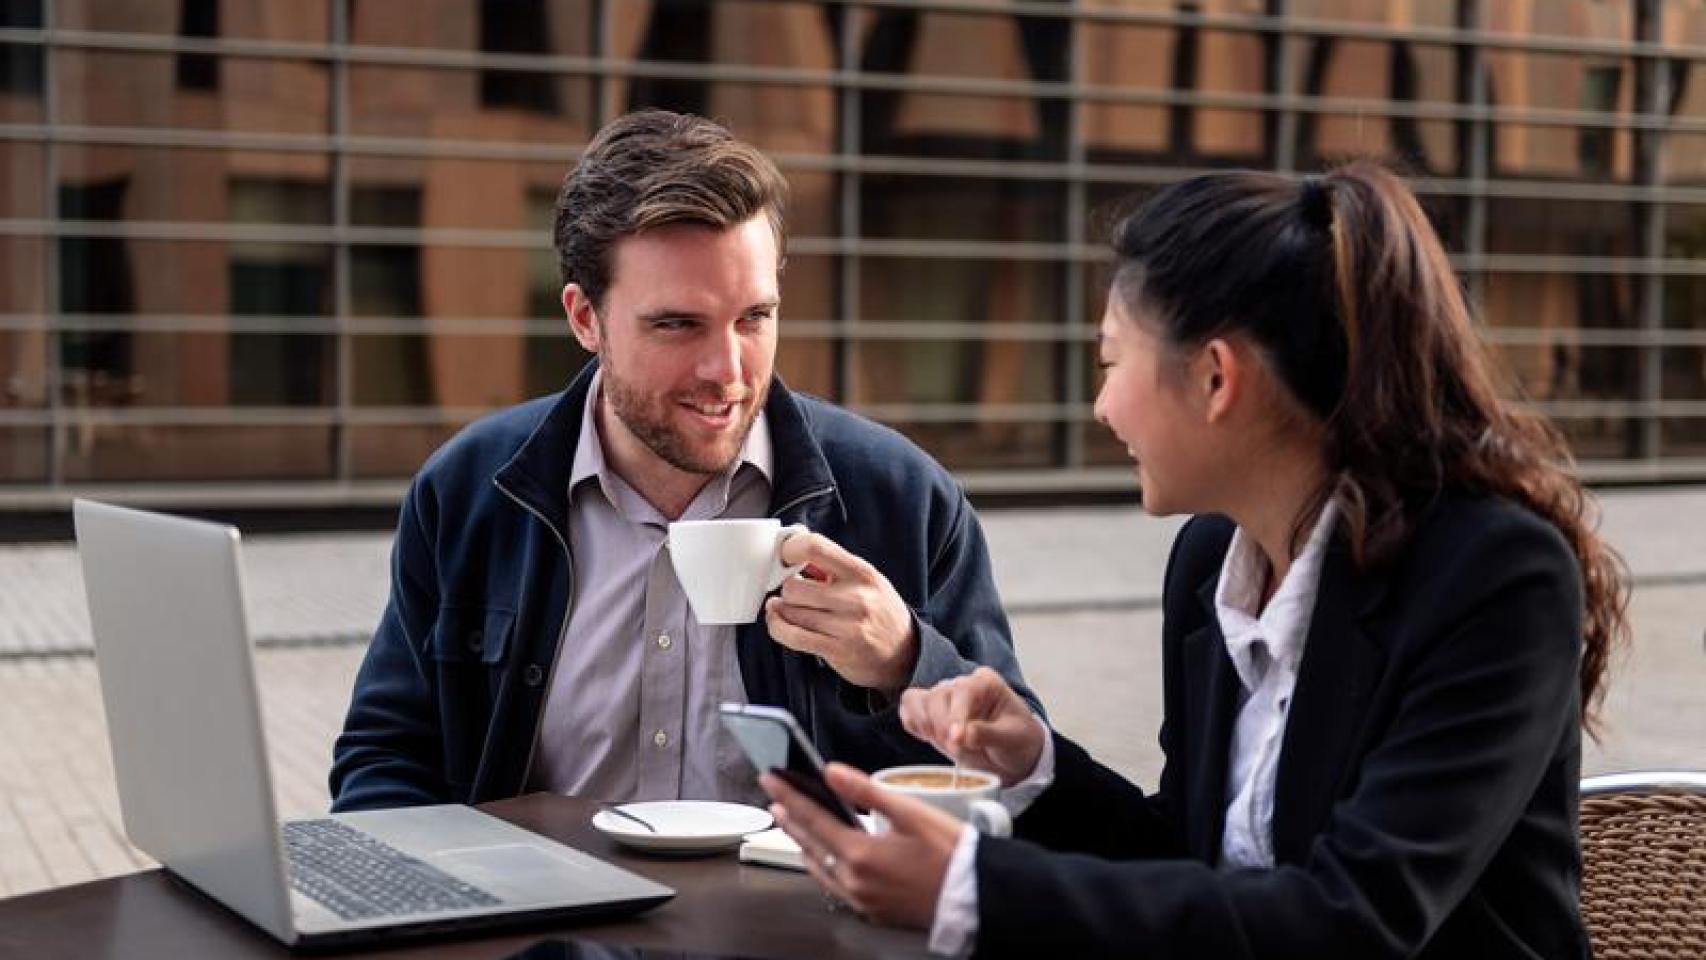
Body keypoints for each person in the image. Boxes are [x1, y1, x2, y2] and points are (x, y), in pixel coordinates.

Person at [762, 161, 1629, 958]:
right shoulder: (1213, 559)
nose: (1102, 408)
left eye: (1111, 361)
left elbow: (1358, 918)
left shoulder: (1494, 577)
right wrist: (1035, 767)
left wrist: (974, 888)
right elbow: (1192, 857)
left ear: (1216, 378)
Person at [330, 110, 1038, 813]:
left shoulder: (903, 498)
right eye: (678, 324)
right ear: (585, 318)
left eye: (754, 318)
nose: (726, 370)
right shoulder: (467, 493)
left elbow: (1015, 790)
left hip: (802, 925)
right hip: (544, 922)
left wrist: (905, 662)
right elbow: (386, 756)